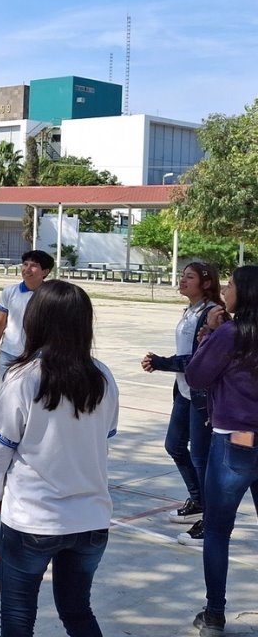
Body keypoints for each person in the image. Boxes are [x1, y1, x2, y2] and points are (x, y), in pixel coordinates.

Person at [0, 279, 119, 636]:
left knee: (17, 615)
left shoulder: (23, 376)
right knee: (78, 611)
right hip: (91, 517)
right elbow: (104, 438)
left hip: (34, 517)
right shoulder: (103, 376)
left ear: (37, 320)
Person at [185, 265, 258, 637]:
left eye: (230, 286)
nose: (226, 291)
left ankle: (214, 613)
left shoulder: (230, 333)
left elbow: (196, 376)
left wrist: (208, 338)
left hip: (236, 439)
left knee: (217, 530)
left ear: (243, 294)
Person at [142, 262, 224, 546]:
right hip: (185, 391)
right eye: (183, 276)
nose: (182, 280)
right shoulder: (190, 311)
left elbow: (199, 359)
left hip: (201, 395)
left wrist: (159, 362)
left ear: (206, 283)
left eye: (189, 277)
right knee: (174, 445)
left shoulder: (212, 314)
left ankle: (210, 521)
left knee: (202, 459)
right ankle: (199, 500)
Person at [0, 250, 55, 399]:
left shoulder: (51, 296)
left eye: (34, 265)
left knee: (31, 399)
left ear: (45, 272)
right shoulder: (10, 292)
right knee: (2, 397)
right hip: (9, 354)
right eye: (25, 264)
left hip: (38, 357)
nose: (27, 269)